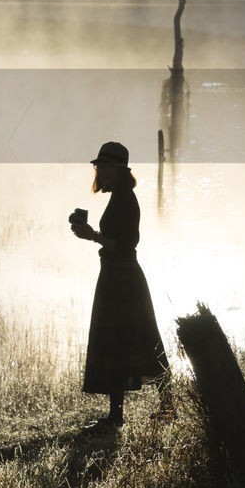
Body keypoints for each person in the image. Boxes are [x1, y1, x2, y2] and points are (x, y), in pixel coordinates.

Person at [69, 141, 173, 429]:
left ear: (116, 170)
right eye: (98, 166)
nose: (99, 171)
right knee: (126, 340)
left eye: (103, 166)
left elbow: (127, 245)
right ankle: (128, 412)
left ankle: (159, 407)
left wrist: (93, 236)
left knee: (130, 338)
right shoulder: (120, 197)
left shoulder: (126, 199)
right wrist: (94, 236)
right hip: (117, 275)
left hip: (123, 277)